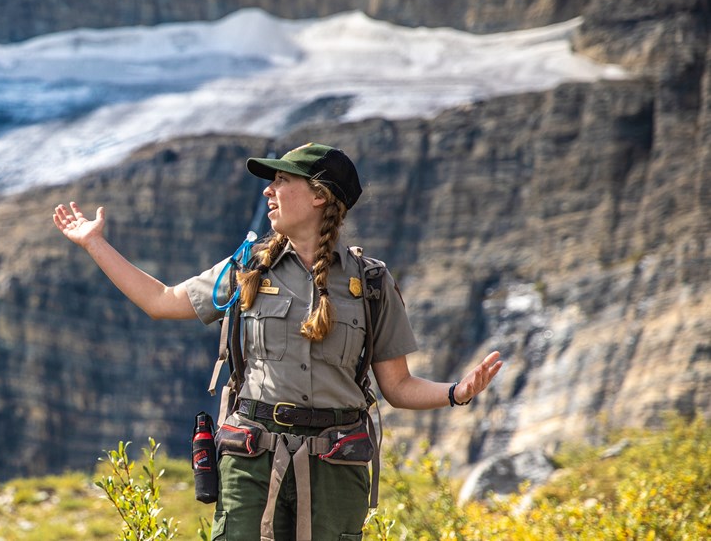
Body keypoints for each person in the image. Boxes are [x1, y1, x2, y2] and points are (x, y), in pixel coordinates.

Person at [53, 142, 503, 541]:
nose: (268, 191)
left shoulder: (372, 283)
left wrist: (455, 393)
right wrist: (95, 244)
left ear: (319, 196)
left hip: (336, 467)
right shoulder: (248, 266)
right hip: (252, 461)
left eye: (282, 181)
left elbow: (398, 386)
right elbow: (160, 300)